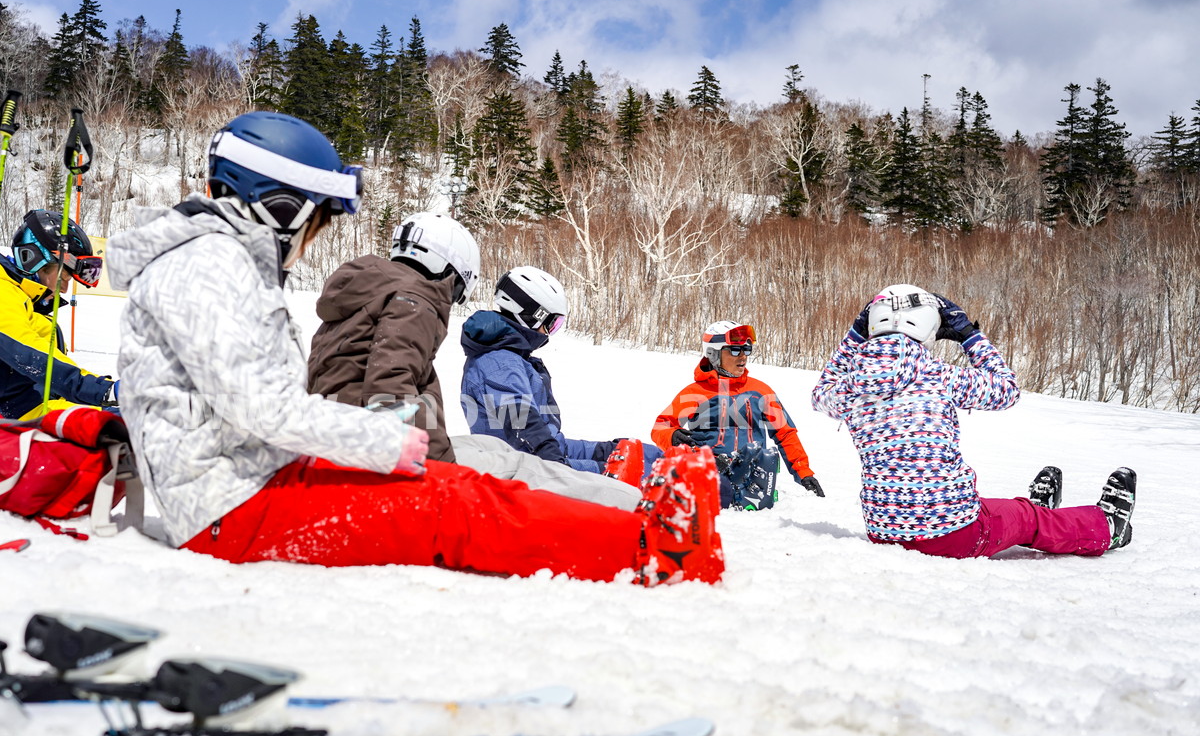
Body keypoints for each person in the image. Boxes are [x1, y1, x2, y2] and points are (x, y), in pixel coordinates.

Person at [106, 110, 722, 586]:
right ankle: (648, 545)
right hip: (233, 510)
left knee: (466, 489)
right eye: (316, 222)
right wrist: (389, 440)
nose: (312, 241)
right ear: (281, 208)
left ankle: (634, 523)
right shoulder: (209, 266)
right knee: (450, 507)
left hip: (249, 485)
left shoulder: (214, 264)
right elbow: (264, 408)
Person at [306, 215, 639, 510]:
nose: (451, 299)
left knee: (491, 447)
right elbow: (391, 387)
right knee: (529, 470)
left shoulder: (366, 295)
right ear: (447, 269)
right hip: (386, 461)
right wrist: (434, 472)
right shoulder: (415, 300)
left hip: (354, 444)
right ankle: (642, 513)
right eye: (457, 288)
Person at [810, 283, 1137, 559]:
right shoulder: (936, 375)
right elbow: (1006, 390)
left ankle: (1038, 508)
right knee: (1025, 519)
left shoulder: (848, 387)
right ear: (929, 326)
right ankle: (1107, 527)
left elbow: (820, 393)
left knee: (994, 509)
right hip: (952, 535)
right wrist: (969, 335)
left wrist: (855, 334)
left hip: (884, 532)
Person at [460, 266, 663, 482]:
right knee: (633, 472)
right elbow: (523, 426)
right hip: (521, 471)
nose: (550, 333)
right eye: (551, 324)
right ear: (531, 316)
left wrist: (608, 450)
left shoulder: (514, 359)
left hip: (536, 459)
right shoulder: (499, 364)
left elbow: (549, 440)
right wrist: (563, 467)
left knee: (639, 454)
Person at [0, 209, 117, 418]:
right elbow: (29, 354)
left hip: (33, 415)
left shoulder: (30, 305)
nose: (64, 289)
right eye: (63, 277)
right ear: (32, 259)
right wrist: (104, 391)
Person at [651, 320, 824, 510]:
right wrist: (671, 435)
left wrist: (804, 474)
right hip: (710, 474)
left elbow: (785, 434)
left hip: (754, 479)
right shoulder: (695, 392)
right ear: (713, 354)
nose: (743, 356)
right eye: (735, 350)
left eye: (746, 350)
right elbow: (661, 426)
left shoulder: (760, 391)